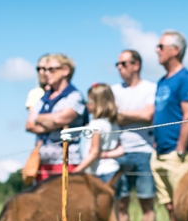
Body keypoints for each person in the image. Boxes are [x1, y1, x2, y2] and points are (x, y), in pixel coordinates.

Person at [151, 30, 188, 221]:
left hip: (178, 155)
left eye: (161, 47)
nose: (157, 50)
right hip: (159, 153)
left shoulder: (186, 79)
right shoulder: (162, 81)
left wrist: (179, 149)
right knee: (170, 207)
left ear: (175, 50)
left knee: (184, 207)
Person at [111, 49, 158, 221]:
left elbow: (148, 116)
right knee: (120, 203)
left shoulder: (150, 88)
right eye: (118, 64)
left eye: (123, 64)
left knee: (146, 201)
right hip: (119, 152)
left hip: (144, 151)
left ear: (136, 65)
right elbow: (112, 117)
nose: (119, 68)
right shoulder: (114, 90)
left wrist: (122, 115)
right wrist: (133, 116)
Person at [25, 53, 85, 183]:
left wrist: (38, 119)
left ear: (65, 70)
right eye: (45, 70)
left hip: (66, 161)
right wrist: (51, 121)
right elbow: (29, 125)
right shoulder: (43, 98)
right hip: (42, 163)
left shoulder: (74, 96)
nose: (46, 73)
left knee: (65, 202)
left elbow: (61, 119)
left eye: (51, 69)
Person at [77, 83, 122, 182]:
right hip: (113, 170)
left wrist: (76, 171)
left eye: (88, 100)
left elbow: (94, 152)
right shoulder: (113, 123)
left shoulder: (95, 124)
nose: (86, 104)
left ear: (96, 102)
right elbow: (120, 149)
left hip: (100, 172)